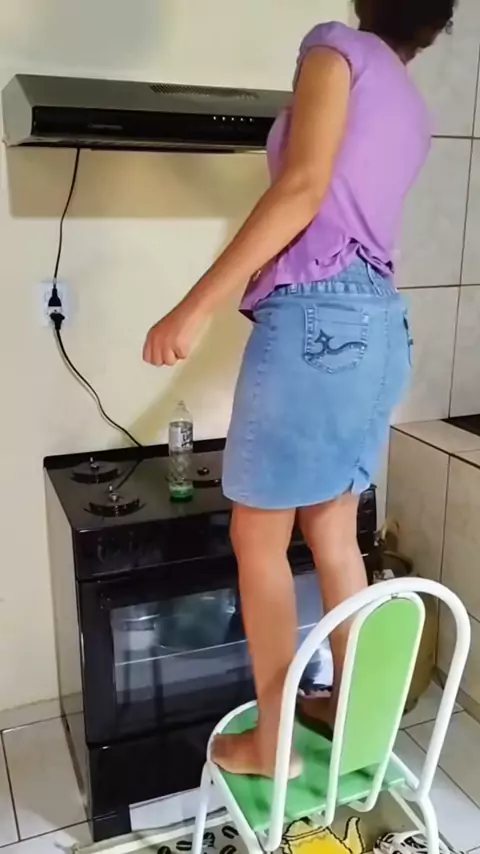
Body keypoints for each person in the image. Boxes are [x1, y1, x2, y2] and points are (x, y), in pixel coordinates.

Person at [143, 0, 457, 778]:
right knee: (333, 532)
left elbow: (303, 188)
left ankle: (273, 744)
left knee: (258, 538)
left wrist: (193, 307)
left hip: (318, 318)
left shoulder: (335, 48)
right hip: (381, 323)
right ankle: (352, 724)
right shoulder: (411, 103)